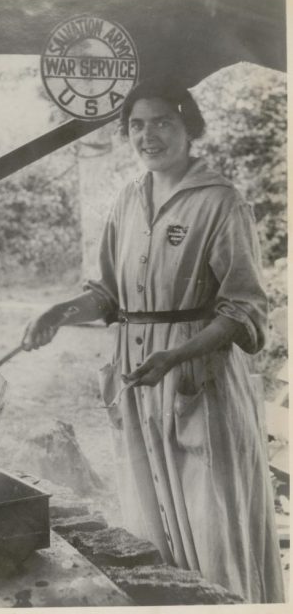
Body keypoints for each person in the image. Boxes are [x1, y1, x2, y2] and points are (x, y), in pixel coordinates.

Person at [22, 76, 284, 603]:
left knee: (210, 515)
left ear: (189, 126)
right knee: (149, 516)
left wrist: (177, 354)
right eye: (136, 125)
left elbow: (244, 310)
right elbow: (107, 294)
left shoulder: (220, 202)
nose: (148, 136)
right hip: (139, 380)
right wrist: (61, 311)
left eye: (162, 121)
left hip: (197, 380)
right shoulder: (127, 200)